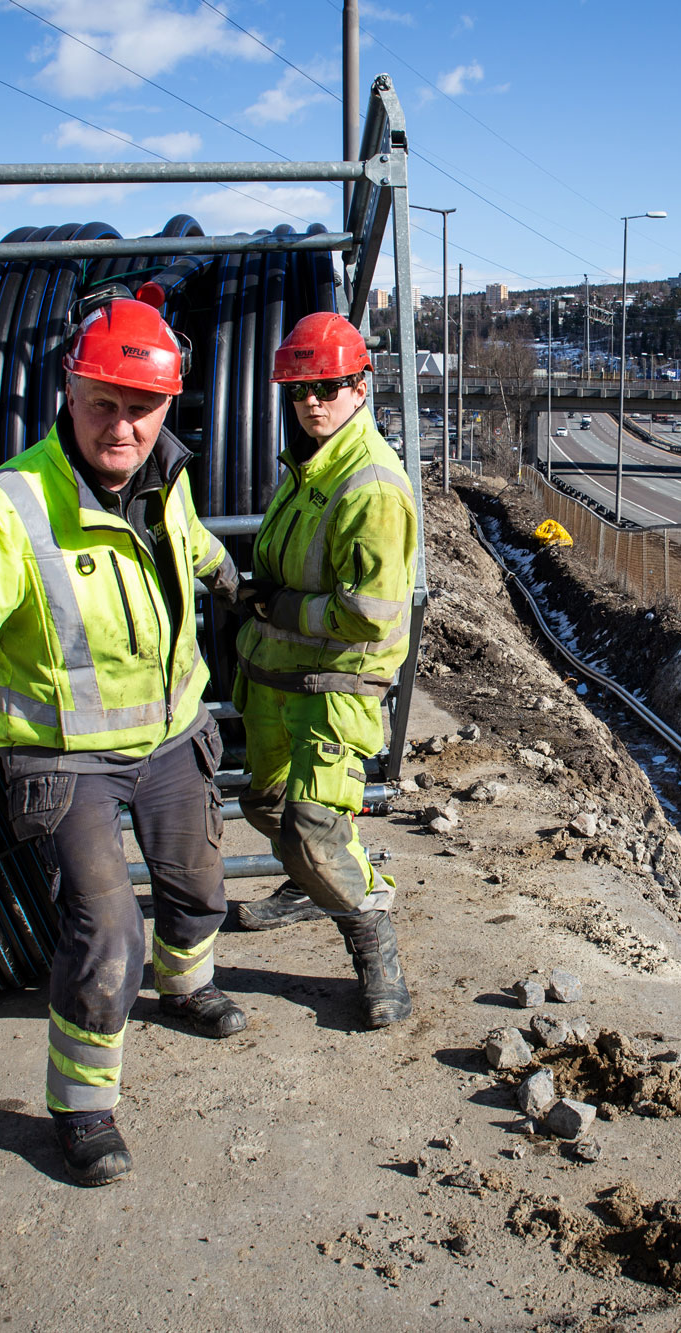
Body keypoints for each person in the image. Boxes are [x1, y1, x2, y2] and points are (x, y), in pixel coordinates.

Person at [0, 293, 248, 1188]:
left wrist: (232, 586)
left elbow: (187, 545)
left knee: (199, 886)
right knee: (107, 931)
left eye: (142, 407)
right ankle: (82, 1104)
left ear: (167, 408)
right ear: (69, 392)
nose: (122, 424)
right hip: (67, 759)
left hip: (176, 736)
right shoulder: (9, 511)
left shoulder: (163, 476)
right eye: (103, 401)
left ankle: (188, 985)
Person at [227, 311, 418, 1030]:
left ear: (361, 386)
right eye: (301, 387)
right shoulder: (312, 460)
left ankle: (374, 943)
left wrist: (283, 607)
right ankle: (315, 882)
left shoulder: (369, 485)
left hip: (334, 685)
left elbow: (370, 614)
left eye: (329, 386)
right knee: (268, 806)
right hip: (279, 675)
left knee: (312, 829)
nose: (312, 400)